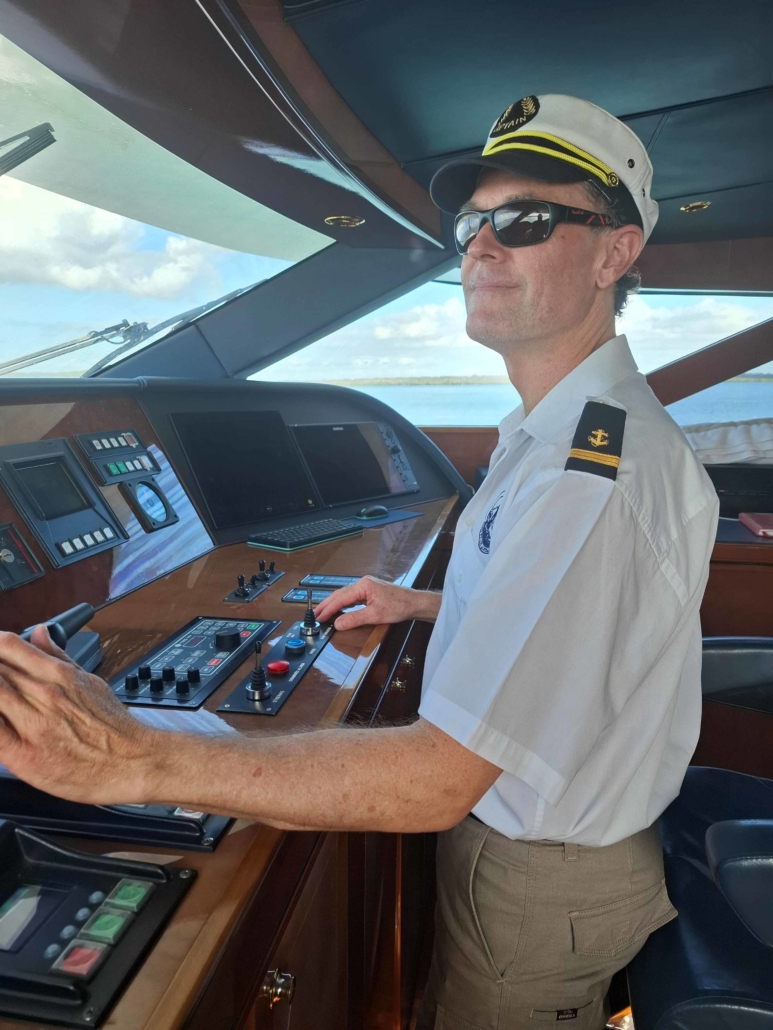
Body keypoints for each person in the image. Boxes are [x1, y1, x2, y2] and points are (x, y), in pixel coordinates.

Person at [0, 94, 718, 1029]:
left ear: (615, 253)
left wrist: (135, 757)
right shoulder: (563, 438)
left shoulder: (590, 477)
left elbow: (434, 782)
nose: (480, 247)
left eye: (527, 221)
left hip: (542, 880)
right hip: (538, 849)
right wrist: (429, 606)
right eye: (471, 224)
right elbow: (571, 613)